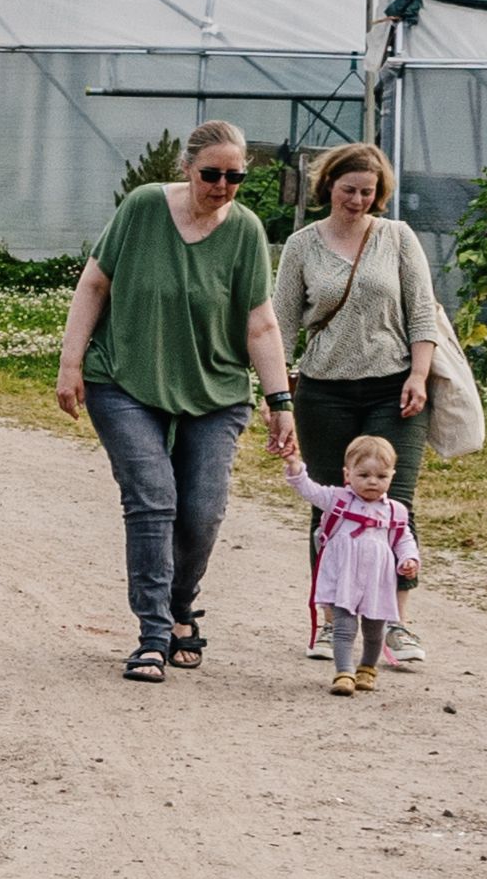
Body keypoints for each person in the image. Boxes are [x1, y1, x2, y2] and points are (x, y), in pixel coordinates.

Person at [55, 119, 273, 679]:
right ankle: (153, 634)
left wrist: (281, 400)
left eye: (235, 176)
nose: (222, 186)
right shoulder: (144, 207)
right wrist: (71, 363)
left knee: (201, 511)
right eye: (211, 174)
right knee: (153, 499)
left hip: (215, 388)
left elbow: (260, 324)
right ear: (186, 168)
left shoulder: (246, 231)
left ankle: (181, 607)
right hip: (125, 377)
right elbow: (95, 284)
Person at [265, 141, 446, 653]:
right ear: (328, 188)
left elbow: (421, 312)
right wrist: (276, 393)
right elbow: (280, 324)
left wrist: (419, 374)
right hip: (324, 392)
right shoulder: (302, 245)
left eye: (369, 192)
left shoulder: (398, 238)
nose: (359, 201)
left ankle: (395, 622)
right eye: (349, 190)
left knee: (395, 504)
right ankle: (329, 618)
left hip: (394, 387)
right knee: (331, 508)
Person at [311, 432, 416, 692]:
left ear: (392, 475)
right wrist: (294, 468)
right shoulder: (337, 500)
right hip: (344, 577)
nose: (373, 482)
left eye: (381, 476)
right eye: (364, 475)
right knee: (344, 626)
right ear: (348, 475)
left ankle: (367, 668)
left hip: (377, 581)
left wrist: (408, 558)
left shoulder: (395, 511)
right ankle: (344, 673)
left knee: (373, 631)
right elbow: (308, 488)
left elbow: (403, 539)